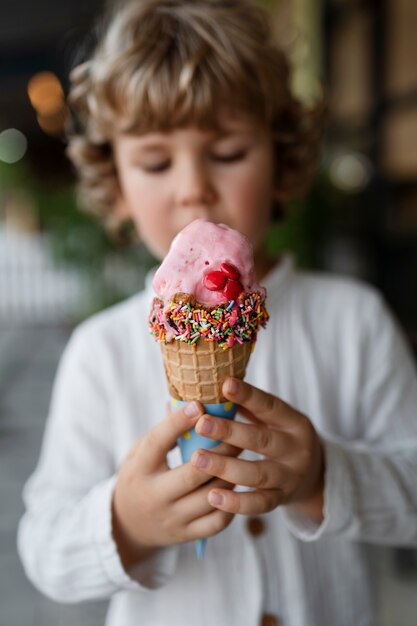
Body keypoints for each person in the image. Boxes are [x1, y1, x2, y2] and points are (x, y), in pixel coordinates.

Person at [17, 1, 417, 625]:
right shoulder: (100, 352)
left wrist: (324, 478)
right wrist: (123, 522)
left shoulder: (355, 322)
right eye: (154, 162)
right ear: (117, 187)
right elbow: (42, 548)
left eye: (227, 152)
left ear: (282, 163)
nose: (192, 186)